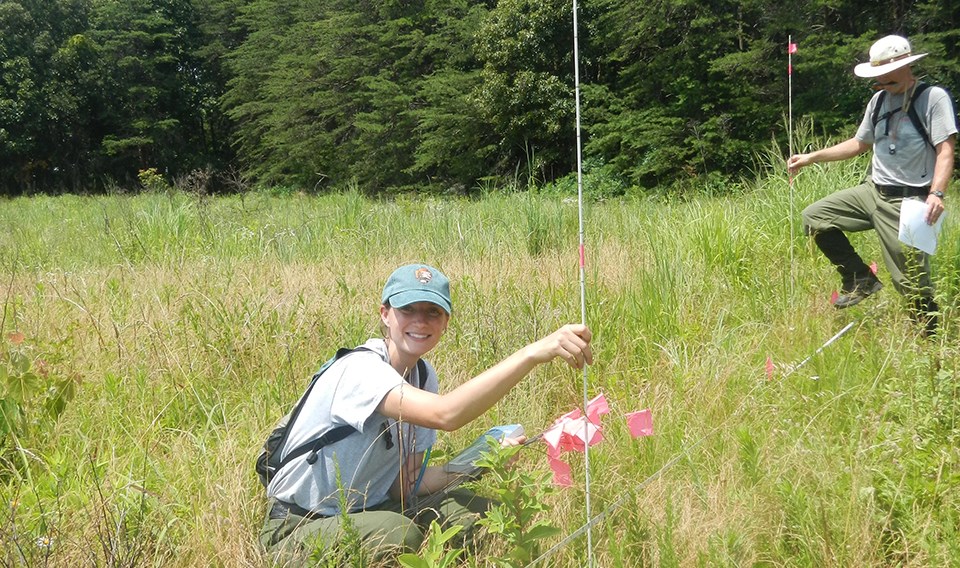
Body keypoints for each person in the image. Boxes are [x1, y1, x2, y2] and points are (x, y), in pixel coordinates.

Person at [259, 263, 593, 563]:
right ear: (385, 314)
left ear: (446, 322)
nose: (420, 321)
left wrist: (479, 461)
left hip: (373, 506)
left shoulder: (422, 375)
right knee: (398, 533)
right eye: (407, 309)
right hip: (300, 524)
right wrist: (532, 353)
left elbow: (403, 488)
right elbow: (445, 414)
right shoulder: (359, 370)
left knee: (484, 514)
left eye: (432, 312)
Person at [788, 34, 956, 334]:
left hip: (909, 202)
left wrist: (937, 193)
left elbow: (945, 150)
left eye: (885, 77)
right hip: (872, 191)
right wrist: (812, 157)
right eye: (877, 76)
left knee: (911, 281)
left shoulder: (933, 98)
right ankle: (859, 278)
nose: (879, 82)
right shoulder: (878, 101)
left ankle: (932, 345)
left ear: (905, 66)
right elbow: (858, 143)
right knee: (815, 218)